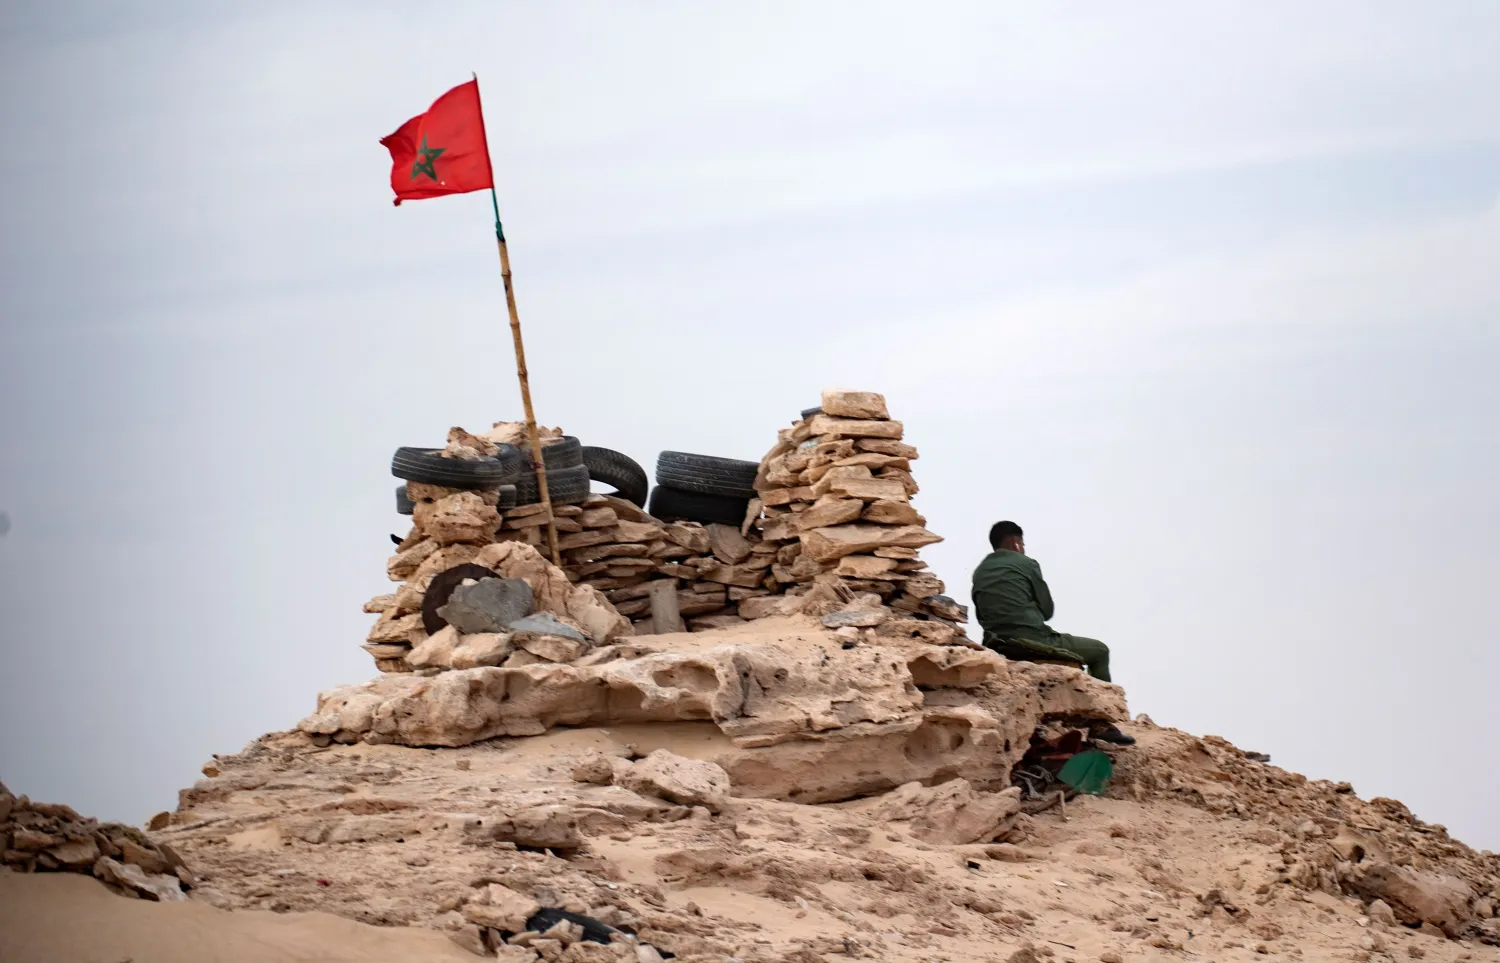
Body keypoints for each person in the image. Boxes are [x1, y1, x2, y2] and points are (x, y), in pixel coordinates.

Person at [972, 520, 1134, 746]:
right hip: (1032, 638)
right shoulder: (1025, 563)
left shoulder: (980, 571)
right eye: (1022, 543)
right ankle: (1100, 723)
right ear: (1014, 542)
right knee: (1099, 651)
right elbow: (1047, 610)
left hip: (996, 642)